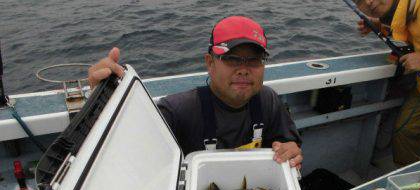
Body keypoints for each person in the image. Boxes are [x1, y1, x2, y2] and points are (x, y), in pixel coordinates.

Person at [88, 16, 303, 168]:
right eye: (231, 58)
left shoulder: (268, 100)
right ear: (210, 63)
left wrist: (291, 151)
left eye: (254, 60)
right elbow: (125, 153)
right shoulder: (176, 112)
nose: (244, 69)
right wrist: (100, 106)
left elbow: (289, 143)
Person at [355, 0, 420, 166]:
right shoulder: (402, 12)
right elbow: (419, 30)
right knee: (404, 133)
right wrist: (381, 27)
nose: (368, 2)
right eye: (359, 0)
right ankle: (414, 182)